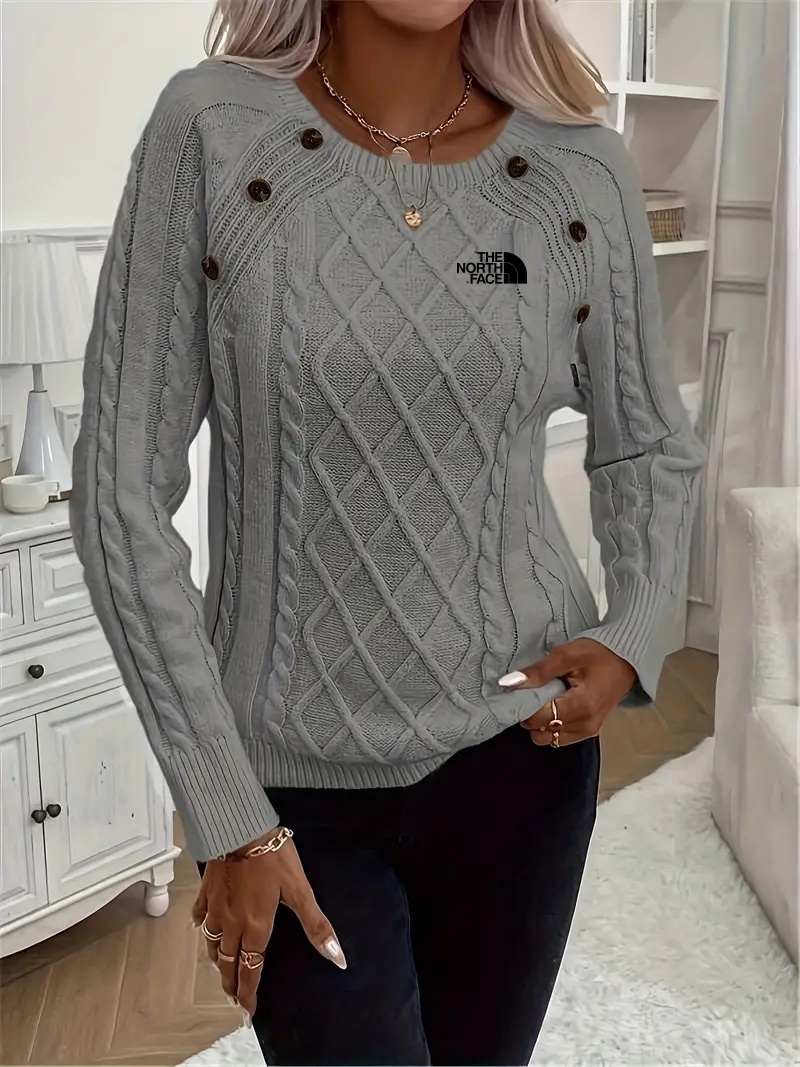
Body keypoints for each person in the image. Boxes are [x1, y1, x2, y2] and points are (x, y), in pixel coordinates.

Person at [71, 0, 706, 1062]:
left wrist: (632, 625)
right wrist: (225, 809)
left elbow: (647, 442)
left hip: (523, 766)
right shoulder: (212, 132)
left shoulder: (580, 172)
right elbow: (118, 493)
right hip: (289, 792)